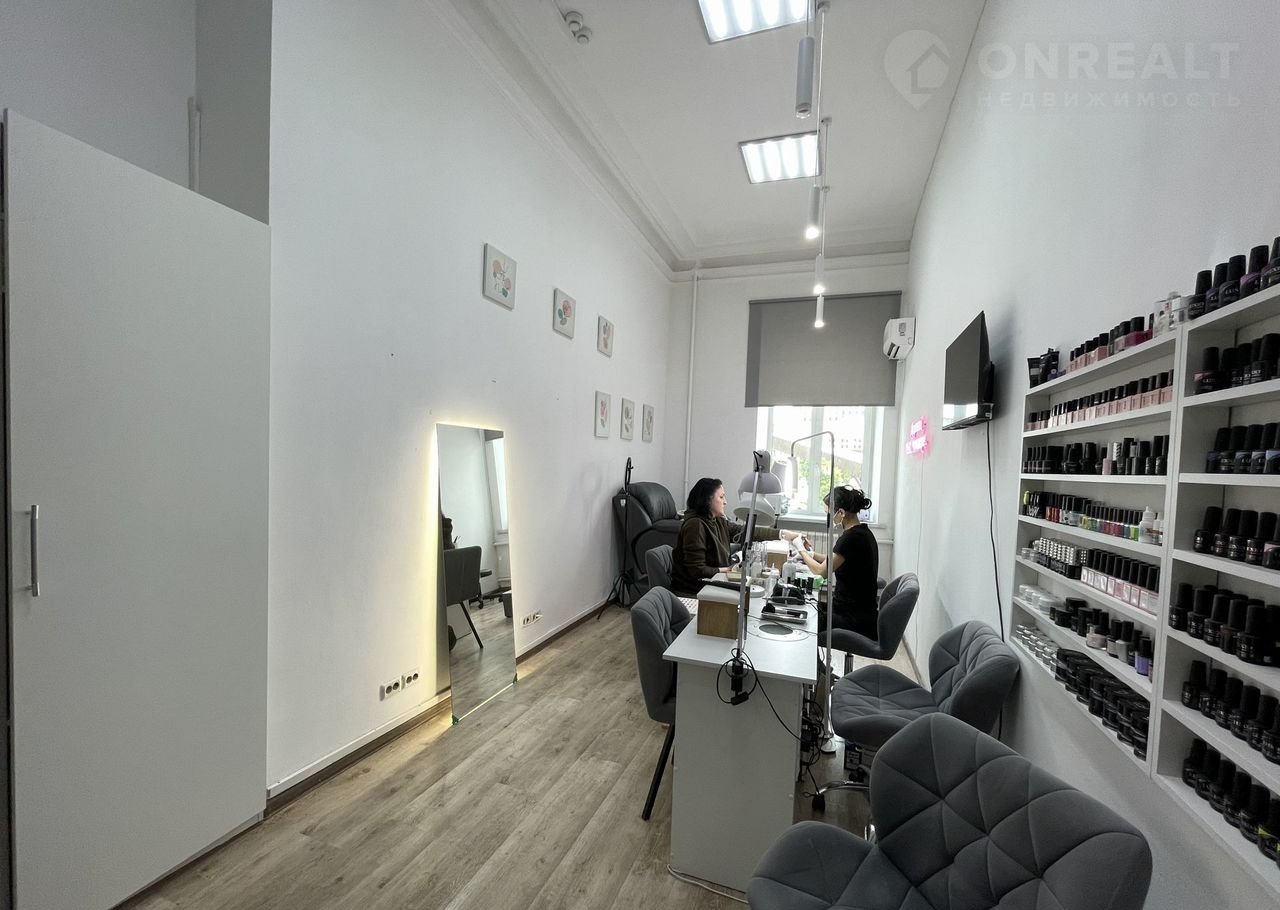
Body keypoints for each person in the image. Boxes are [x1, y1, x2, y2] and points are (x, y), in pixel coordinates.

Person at [670, 477, 798, 596]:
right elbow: (697, 571)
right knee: (747, 595)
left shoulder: (717, 520)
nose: (725, 502)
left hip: (712, 582)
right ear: (707, 500)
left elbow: (744, 532)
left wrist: (783, 534)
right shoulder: (695, 525)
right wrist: (728, 569)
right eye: (721, 497)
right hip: (693, 590)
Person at [794, 486, 879, 639]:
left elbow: (821, 571)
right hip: (859, 613)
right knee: (808, 605)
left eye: (829, 514)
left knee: (804, 618)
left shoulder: (851, 538)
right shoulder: (863, 533)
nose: (828, 518)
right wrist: (811, 554)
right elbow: (835, 559)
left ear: (841, 512)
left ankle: (812, 655)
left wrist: (801, 549)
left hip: (853, 620)